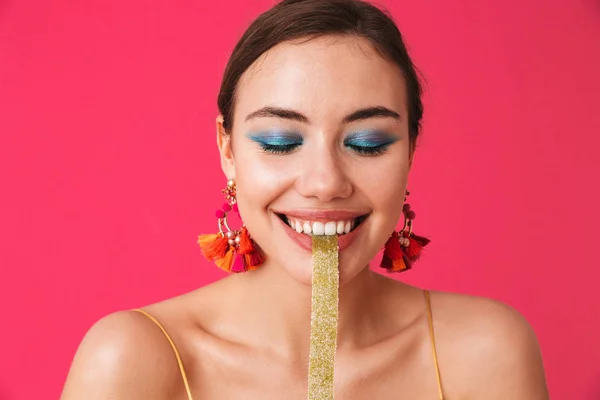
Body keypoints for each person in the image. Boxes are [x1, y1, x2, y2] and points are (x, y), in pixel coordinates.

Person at [61, 0, 549, 398]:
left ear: (410, 152)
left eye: (367, 143)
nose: (324, 182)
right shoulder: (134, 359)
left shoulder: (486, 352)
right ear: (227, 151)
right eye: (279, 142)